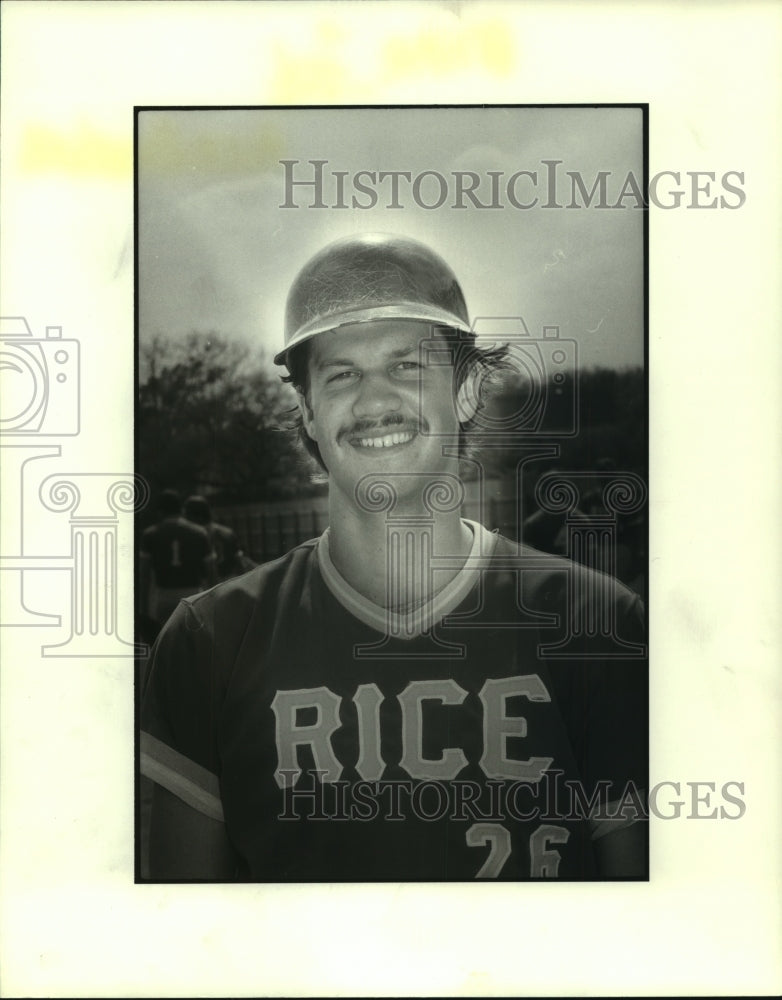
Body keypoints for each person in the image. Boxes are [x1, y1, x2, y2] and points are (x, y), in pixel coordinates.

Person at [140, 233, 647, 881]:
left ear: (466, 392)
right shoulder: (210, 638)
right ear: (307, 412)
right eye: (342, 374)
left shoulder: (596, 621)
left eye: (407, 366)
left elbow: (643, 927)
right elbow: (187, 945)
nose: (374, 401)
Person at [138, 489, 218, 641]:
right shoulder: (199, 533)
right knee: (193, 642)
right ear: (181, 509)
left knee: (167, 644)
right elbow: (211, 573)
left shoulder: (150, 534)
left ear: (160, 511)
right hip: (194, 594)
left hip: (164, 595)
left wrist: (144, 611)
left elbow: (144, 577)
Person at [183, 494, 253, 582]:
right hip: (229, 580)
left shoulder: (195, 535)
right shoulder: (228, 532)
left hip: (208, 584)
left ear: (194, 515)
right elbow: (239, 562)